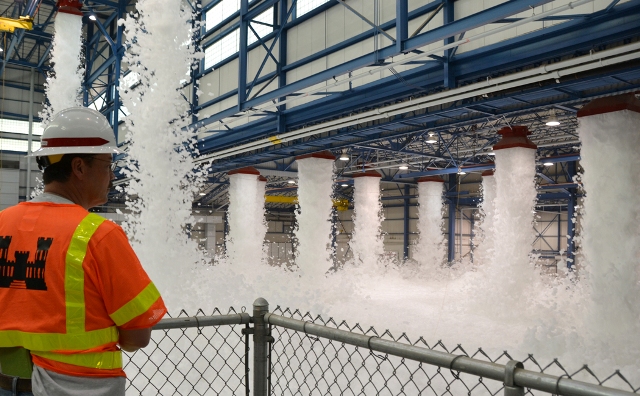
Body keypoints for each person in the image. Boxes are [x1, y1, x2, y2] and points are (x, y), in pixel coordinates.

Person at [0, 107, 167, 396]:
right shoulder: (99, 235)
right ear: (78, 167)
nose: (111, 175)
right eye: (107, 164)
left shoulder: (2, 223)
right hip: (76, 387)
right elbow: (137, 335)